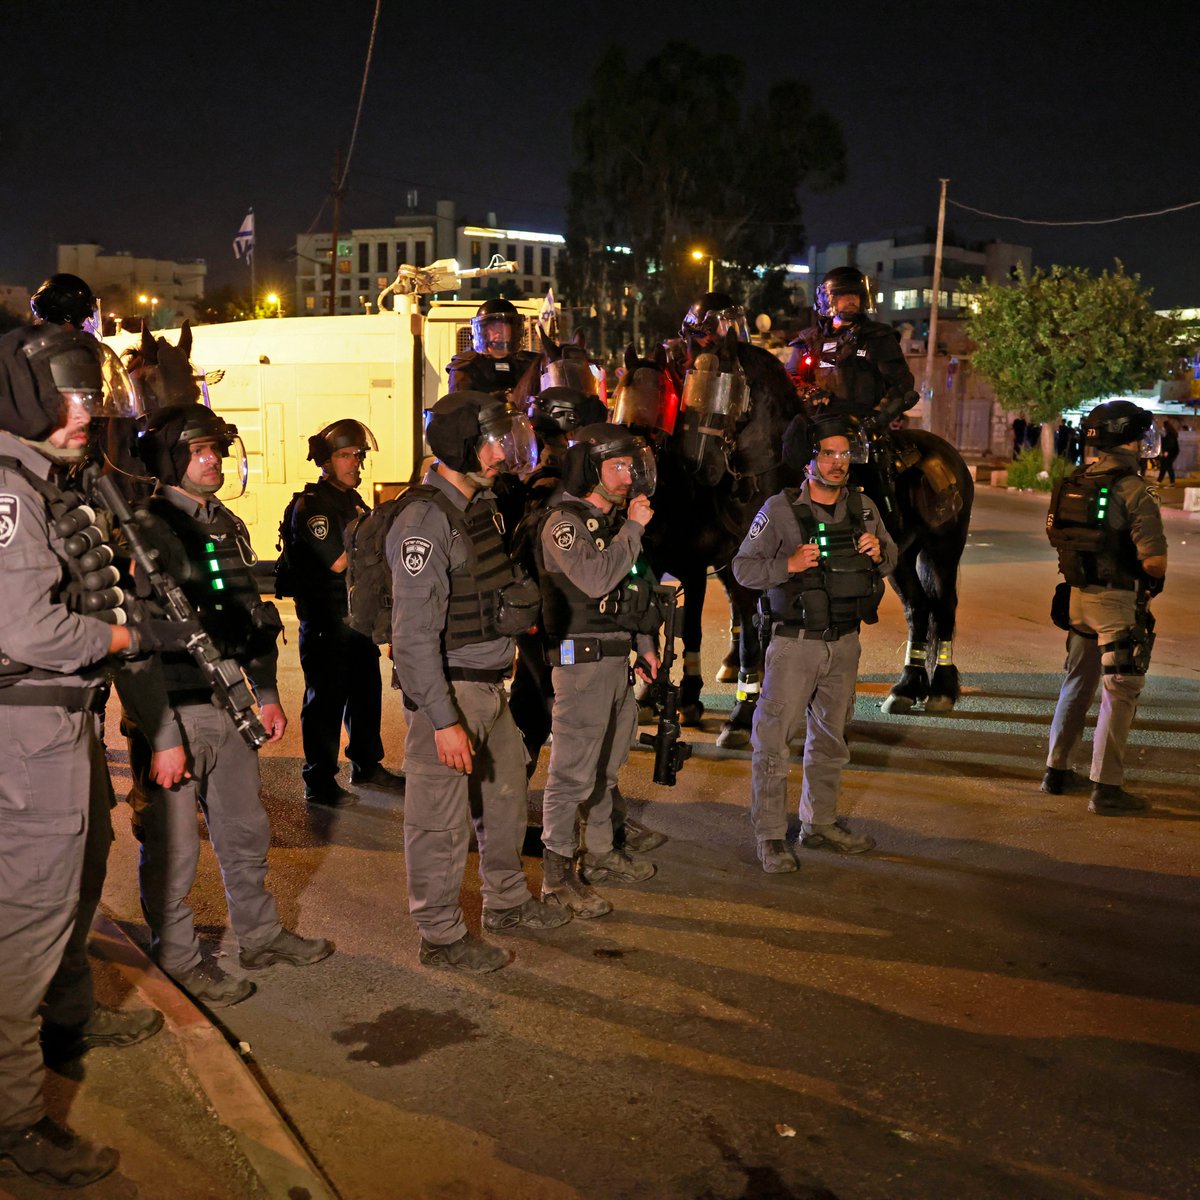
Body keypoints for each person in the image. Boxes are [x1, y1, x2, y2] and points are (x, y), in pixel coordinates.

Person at [0, 322, 179, 1188]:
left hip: (56, 725)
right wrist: (114, 631)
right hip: (26, 733)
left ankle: (62, 1028)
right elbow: (25, 625)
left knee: (65, 904)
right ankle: (14, 1118)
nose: (87, 412)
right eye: (71, 396)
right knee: (23, 934)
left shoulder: (46, 479)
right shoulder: (9, 488)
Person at [119, 402, 333, 1008]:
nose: (214, 459)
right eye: (199, 450)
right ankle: (179, 962)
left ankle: (259, 935)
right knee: (174, 847)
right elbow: (135, 642)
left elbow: (251, 615)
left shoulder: (224, 523)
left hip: (229, 702)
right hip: (175, 711)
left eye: (217, 448)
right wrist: (160, 731)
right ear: (170, 458)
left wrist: (264, 692)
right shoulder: (146, 529)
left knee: (245, 833)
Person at [386, 391, 570, 973]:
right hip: (452, 692)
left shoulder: (480, 507)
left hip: (492, 688)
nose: (500, 453)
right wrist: (442, 720)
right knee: (439, 824)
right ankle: (439, 935)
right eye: (490, 441)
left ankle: (508, 903)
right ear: (458, 444)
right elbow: (413, 637)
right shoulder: (423, 521)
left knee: (507, 800)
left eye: (502, 439)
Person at [732, 413, 896, 872]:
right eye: (829, 453)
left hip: (844, 643)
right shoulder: (778, 509)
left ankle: (819, 824)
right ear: (810, 460)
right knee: (773, 742)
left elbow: (891, 556)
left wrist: (880, 553)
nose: (839, 462)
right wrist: (788, 565)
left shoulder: (864, 508)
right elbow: (744, 568)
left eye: (845, 454)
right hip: (793, 644)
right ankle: (768, 836)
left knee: (831, 739)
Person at [537, 424, 661, 918]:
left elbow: (631, 593)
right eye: (619, 466)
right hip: (580, 663)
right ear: (591, 469)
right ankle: (557, 876)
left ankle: (605, 852)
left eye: (634, 466)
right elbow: (595, 580)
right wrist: (633, 528)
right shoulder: (562, 523)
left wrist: (645, 644)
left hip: (615, 660)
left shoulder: (612, 524)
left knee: (607, 770)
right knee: (571, 776)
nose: (629, 476)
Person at [1042, 400, 1168, 814]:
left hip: (1077, 599)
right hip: (1116, 604)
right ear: (1128, 438)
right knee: (1120, 692)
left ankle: (1056, 771)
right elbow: (1154, 561)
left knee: (1077, 683)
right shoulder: (1133, 489)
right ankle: (1107, 789)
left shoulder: (1076, 480)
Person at [282, 419, 403, 806]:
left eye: (358, 455)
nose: (355, 463)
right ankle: (319, 781)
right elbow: (337, 561)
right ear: (325, 460)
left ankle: (367, 765)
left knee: (366, 693)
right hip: (325, 622)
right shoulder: (312, 506)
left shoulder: (353, 502)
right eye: (345, 455)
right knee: (326, 702)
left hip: (356, 621)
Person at [787, 268, 918, 430]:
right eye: (843, 294)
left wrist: (881, 415)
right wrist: (810, 392)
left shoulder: (878, 337)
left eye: (856, 295)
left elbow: (901, 383)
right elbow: (789, 379)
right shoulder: (808, 340)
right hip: (816, 425)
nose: (851, 300)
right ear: (828, 299)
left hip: (865, 426)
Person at [445, 299, 539, 397]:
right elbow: (459, 406)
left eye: (504, 325)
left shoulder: (530, 364)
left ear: (514, 330)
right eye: (493, 326)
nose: (499, 331)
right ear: (483, 331)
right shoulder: (465, 366)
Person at [1158, 417, 1180, 485]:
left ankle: (1172, 483)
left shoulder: (1170, 434)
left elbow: (1170, 443)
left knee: (1168, 466)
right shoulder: (1170, 433)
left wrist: (1166, 451)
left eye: (1163, 426)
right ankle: (1159, 481)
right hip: (1171, 451)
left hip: (1170, 452)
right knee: (1164, 465)